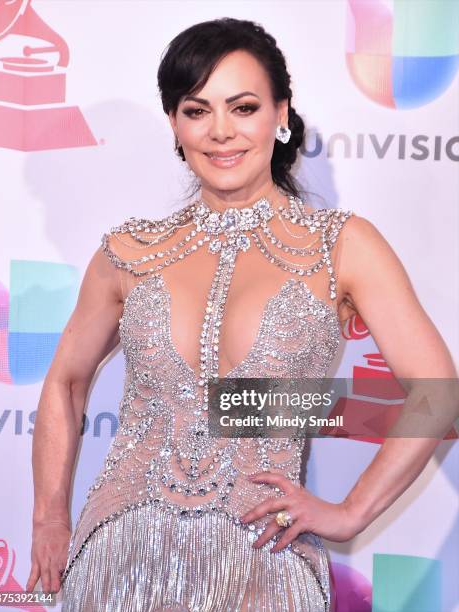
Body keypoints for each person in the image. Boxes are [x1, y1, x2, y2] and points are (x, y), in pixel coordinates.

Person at [26, 17, 457, 612]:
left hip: (264, 563)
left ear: (281, 113)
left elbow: (437, 393)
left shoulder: (341, 245)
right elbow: (67, 381)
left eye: (244, 106)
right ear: (175, 125)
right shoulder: (128, 252)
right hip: (117, 562)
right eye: (197, 110)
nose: (221, 132)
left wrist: (351, 510)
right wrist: (49, 519)